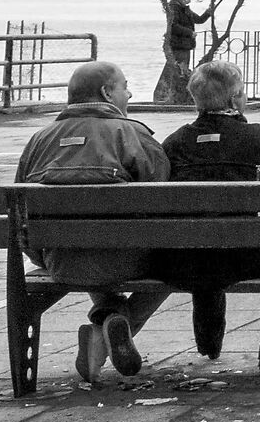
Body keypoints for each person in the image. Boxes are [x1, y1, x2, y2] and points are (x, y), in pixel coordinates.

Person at [13, 61, 170, 384]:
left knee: (86, 249)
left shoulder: (39, 140)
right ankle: (112, 325)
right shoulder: (132, 134)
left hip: (60, 260)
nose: (129, 94)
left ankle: (107, 317)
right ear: (106, 93)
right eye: (125, 86)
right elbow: (164, 194)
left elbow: (20, 211)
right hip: (129, 258)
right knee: (175, 260)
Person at [147, 62, 260, 375]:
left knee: (204, 239)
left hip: (183, 259)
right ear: (235, 99)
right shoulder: (258, 139)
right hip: (247, 258)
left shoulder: (175, 143)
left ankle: (208, 339)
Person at [154, 0, 215, 104]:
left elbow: (199, 19)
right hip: (178, 45)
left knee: (181, 70)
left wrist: (208, 12)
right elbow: (173, 26)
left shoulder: (185, 9)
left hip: (185, 45)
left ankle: (177, 94)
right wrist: (189, 33)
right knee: (177, 69)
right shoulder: (174, 8)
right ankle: (168, 94)